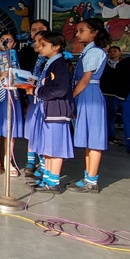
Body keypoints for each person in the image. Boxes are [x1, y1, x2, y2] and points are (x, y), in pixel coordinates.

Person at [68, 18, 110, 193]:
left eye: (82, 31)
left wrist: (70, 97)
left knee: (93, 139)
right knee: (87, 138)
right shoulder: (88, 51)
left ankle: (91, 181)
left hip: (89, 94)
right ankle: (87, 177)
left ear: (95, 32)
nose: (77, 34)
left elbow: (85, 80)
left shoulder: (94, 52)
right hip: (84, 94)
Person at [30, 32, 74, 193]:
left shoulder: (59, 64)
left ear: (56, 47)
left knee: (55, 148)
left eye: (44, 45)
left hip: (57, 111)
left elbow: (60, 89)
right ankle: (47, 178)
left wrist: (38, 91)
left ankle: (53, 182)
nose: (40, 48)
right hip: (48, 110)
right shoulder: (50, 63)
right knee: (47, 147)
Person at [0, 31, 24, 176]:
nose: (5, 42)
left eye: (8, 40)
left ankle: (8, 161)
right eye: (2, 40)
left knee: (11, 130)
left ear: (14, 43)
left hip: (13, 96)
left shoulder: (18, 58)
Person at [23, 31, 48, 178]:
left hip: (44, 99)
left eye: (41, 41)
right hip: (33, 98)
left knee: (42, 131)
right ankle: (31, 160)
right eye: (35, 41)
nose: (37, 44)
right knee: (32, 129)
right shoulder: (34, 57)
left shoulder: (51, 60)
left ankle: (44, 164)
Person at [100, 46, 123, 145]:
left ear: (120, 52)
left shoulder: (123, 64)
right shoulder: (103, 64)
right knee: (103, 115)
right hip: (104, 92)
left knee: (112, 115)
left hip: (116, 94)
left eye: (115, 51)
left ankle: (111, 135)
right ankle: (102, 135)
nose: (113, 53)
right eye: (110, 51)